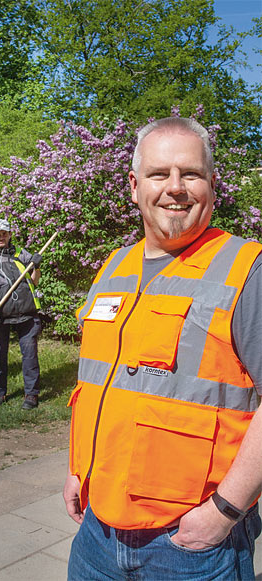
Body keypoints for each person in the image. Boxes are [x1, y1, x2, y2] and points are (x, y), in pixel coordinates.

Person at [63, 117, 262, 580]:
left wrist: (224, 512)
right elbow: (98, 382)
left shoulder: (246, 271)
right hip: (96, 535)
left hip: (191, 548)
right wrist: (78, 470)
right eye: (159, 174)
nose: (175, 187)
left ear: (212, 185)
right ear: (134, 186)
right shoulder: (114, 266)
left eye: (190, 174)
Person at [0, 219, 43, 409]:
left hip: (26, 313)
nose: (1, 237)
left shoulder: (22, 254)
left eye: (4, 233)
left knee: (29, 355)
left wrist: (36, 267)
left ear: (10, 235)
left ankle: (31, 395)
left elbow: (35, 282)